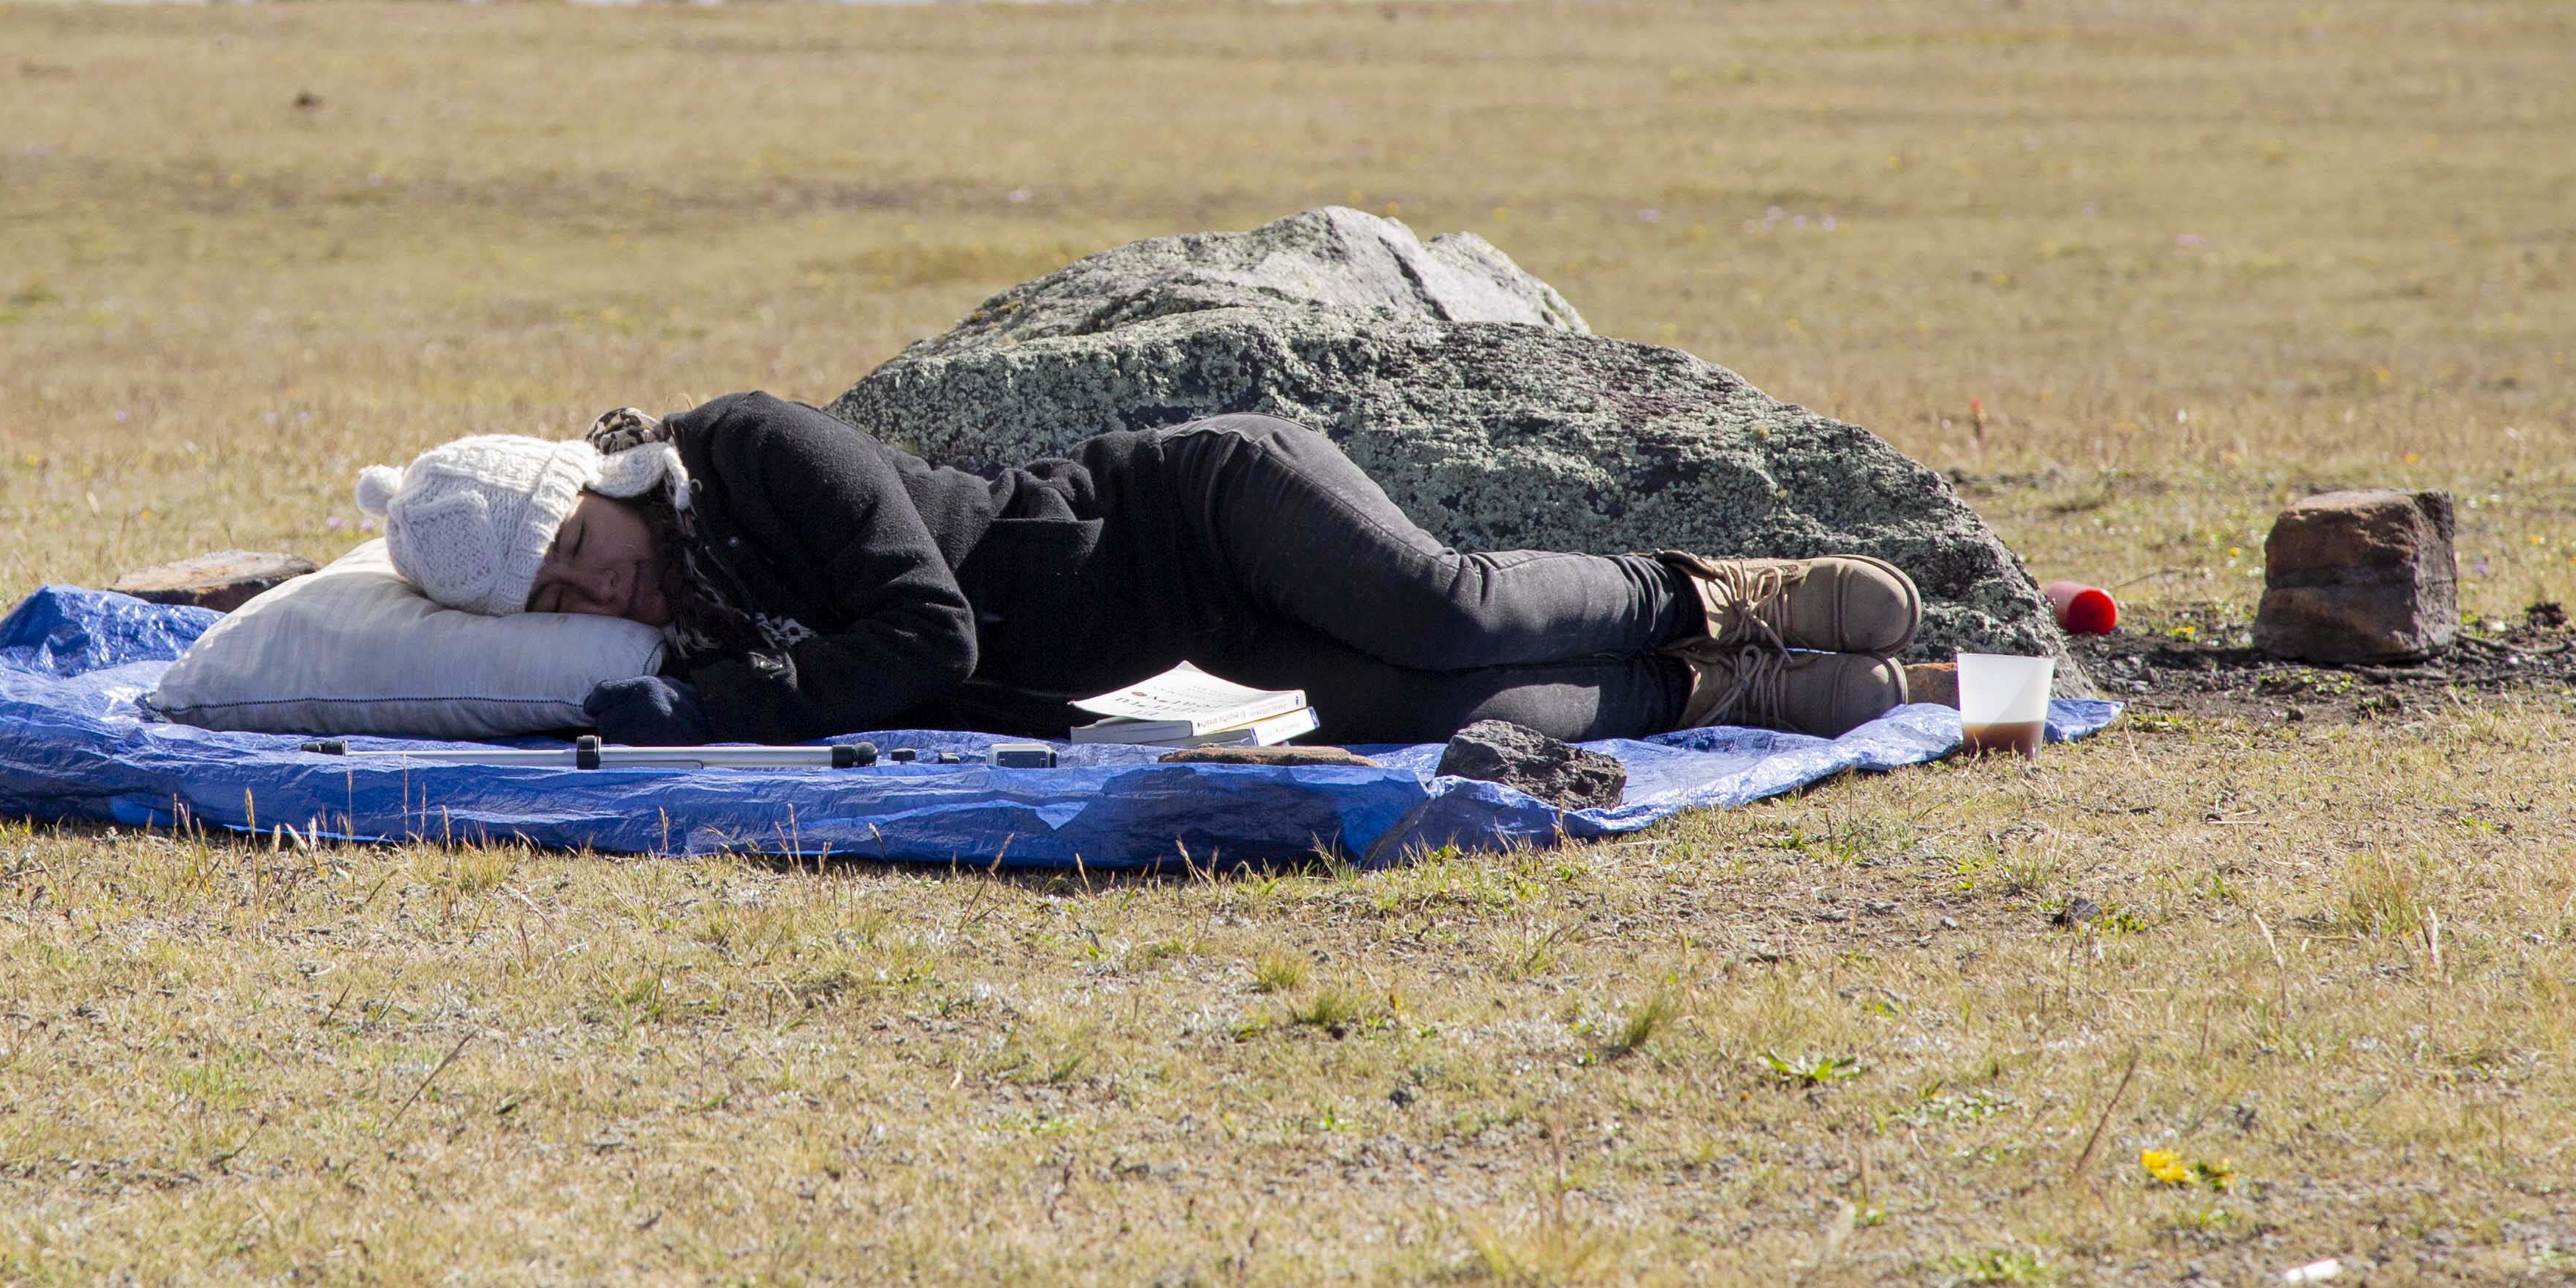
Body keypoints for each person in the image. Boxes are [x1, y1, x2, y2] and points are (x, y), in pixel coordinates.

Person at [347, 391, 1922, 748]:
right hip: (1195, 636)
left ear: (594, 485)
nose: (590, 594)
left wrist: (710, 712)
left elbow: (929, 635)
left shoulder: (755, 450)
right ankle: (1722, 687)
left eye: (574, 551)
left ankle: (1728, 591)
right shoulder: (680, 632)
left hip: (1208, 507)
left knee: (1436, 610)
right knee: (1399, 708)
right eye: (553, 602)